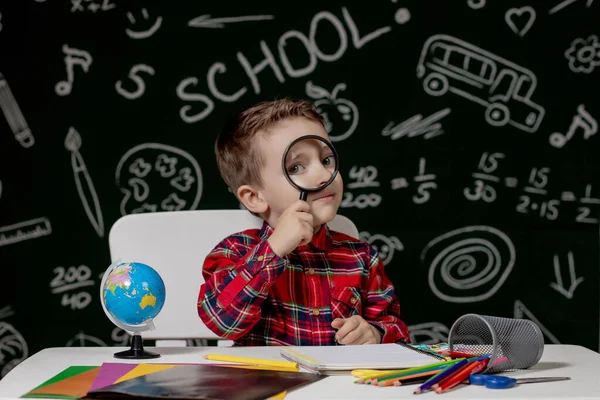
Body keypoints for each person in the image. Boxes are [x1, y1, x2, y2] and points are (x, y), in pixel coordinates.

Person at [197, 98, 410, 346]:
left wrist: (374, 333)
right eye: (296, 167)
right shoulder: (235, 251)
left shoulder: (361, 257)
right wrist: (274, 249)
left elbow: (397, 329)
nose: (323, 175)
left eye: (327, 160)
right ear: (254, 197)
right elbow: (222, 321)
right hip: (266, 382)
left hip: (337, 384)